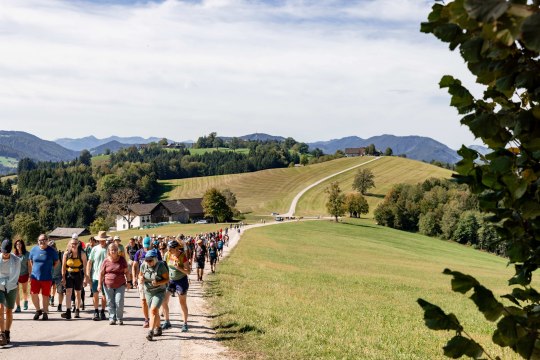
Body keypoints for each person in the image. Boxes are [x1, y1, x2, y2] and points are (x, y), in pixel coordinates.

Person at [138, 249, 169, 341]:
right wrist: (141, 278)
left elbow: (167, 279)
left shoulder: (161, 266)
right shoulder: (144, 265)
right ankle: (158, 328)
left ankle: (150, 331)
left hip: (159, 291)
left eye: (150, 260)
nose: (148, 262)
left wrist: (159, 282)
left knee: (153, 310)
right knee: (154, 312)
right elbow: (140, 275)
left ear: (155, 259)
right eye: (146, 260)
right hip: (148, 292)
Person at [161, 240, 190, 332]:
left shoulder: (182, 256)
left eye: (170, 249)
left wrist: (179, 267)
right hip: (171, 281)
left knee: (182, 302)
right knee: (164, 300)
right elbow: (164, 265)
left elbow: (188, 271)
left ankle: (185, 324)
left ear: (176, 248)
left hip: (181, 281)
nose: (168, 250)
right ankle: (167, 322)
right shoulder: (167, 254)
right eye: (168, 248)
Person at [29, 234, 59, 321]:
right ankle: (38, 310)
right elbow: (31, 260)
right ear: (38, 241)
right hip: (35, 277)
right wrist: (33, 271)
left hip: (47, 277)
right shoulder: (34, 249)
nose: (42, 241)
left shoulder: (52, 251)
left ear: (47, 240)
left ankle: (45, 313)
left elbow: (56, 261)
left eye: (44, 240)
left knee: (45, 295)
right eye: (40, 240)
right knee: (33, 294)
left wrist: (51, 268)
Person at [98, 243, 128, 325]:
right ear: (109, 251)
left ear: (117, 250)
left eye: (115, 249)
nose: (114, 251)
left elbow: (126, 272)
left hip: (120, 284)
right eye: (112, 250)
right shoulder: (106, 261)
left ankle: (119, 318)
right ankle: (112, 318)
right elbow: (101, 273)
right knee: (110, 302)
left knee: (119, 301)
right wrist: (99, 284)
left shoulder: (122, 259)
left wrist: (128, 282)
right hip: (108, 285)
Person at [61, 234, 88, 319]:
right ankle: (68, 311)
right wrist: (63, 277)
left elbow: (85, 266)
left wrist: (86, 278)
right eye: (72, 244)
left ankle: (77, 310)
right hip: (69, 274)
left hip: (78, 275)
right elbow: (63, 266)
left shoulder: (82, 254)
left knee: (78, 293)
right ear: (70, 244)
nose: (74, 245)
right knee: (68, 293)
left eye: (75, 244)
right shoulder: (66, 254)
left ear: (78, 244)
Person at [0, 239, 21, 345]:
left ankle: (7, 332)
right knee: (0, 308)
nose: (5, 254)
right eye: (4, 252)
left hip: (11, 286)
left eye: (7, 252)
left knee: (8, 310)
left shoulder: (16, 260)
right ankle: (2, 333)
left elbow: (15, 276)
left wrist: (7, 284)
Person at [87, 231, 109, 321]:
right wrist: (88, 274)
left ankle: (103, 311)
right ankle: (96, 311)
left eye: (103, 240)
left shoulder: (109, 249)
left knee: (104, 295)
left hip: (106, 276)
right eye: (100, 240)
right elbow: (90, 261)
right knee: (95, 294)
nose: (102, 241)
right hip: (95, 275)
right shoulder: (95, 249)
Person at [13, 239, 31, 313]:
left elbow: (29, 266)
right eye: (17, 244)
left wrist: (30, 275)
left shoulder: (27, 254)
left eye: (20, 244)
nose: (18, 246)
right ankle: (18, 307)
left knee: (24, 290)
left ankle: (25, 301)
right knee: (16, 291)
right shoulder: (13, 255)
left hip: (24, 274)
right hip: (16, 276)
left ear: (22, 245)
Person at [49, 241, 64, 312]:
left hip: (59, 276)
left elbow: (64, 266)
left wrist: (64, 276)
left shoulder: (60, 254)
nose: (52, 249)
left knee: (60, 291)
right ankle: (50, 299)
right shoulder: (47, 255)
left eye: (53, 247)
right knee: (46, 291)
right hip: (49, 276)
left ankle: (60, 306)